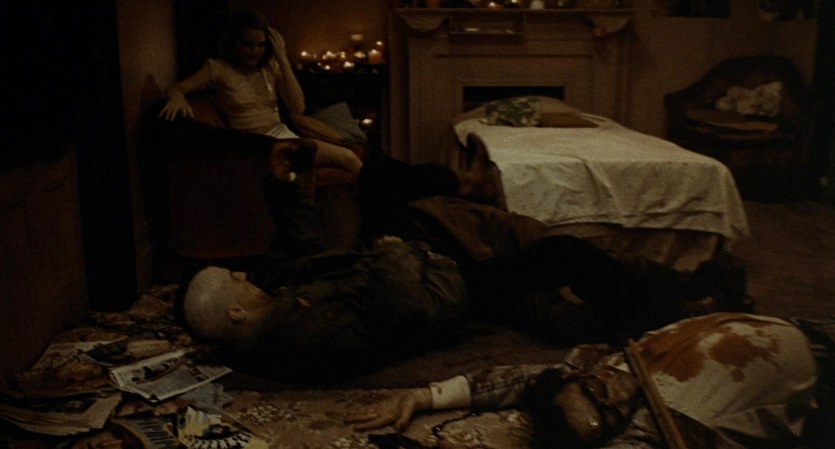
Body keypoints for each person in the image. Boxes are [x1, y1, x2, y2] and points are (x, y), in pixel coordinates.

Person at [181, 140, 747, 383]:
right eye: (235, 281)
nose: (243, 274)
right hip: (443, 291)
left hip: (412, 268)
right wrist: (394, 250)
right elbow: (405, 307)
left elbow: (300, 252)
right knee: (559, 254)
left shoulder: (274, 307)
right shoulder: (298, 335)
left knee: (382, 183)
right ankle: (672, 304)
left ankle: (458, 184)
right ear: (234, 313)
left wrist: (285, 186)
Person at [345, 312, 835, 449]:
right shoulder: (658, 415)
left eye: (596, 392)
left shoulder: (602, 377)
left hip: (801, 338)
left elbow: (522, 378)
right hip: (801, 357)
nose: (613, 393)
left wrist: (425, 394)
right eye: (610, 412)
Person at [158, 9, 362, 176]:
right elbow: (176, 87)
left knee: (349, 158)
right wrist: (176, 95)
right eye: (248, 44)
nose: (255, 51)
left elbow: (298, 107)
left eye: (261, 45)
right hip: (253, 147)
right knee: (301, 173)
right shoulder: (218, 68)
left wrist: (282, 59)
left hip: (282, 136)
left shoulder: (270, 67)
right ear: (235, 43)